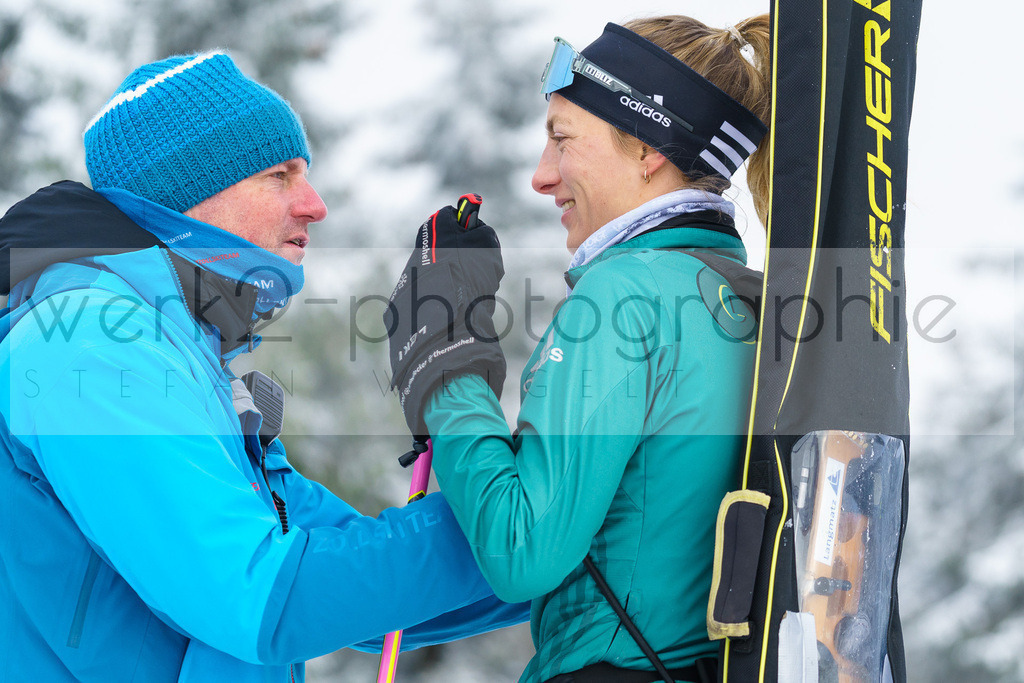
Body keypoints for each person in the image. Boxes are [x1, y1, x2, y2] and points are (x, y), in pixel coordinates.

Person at [0, 51, 528, 682]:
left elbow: (355, 590)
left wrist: (575, 539)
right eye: (280, 175)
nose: (315, 204)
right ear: (191, 193)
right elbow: (260, 598)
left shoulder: (186, 357)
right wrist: (525, 510)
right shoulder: (88, 343)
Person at [385, 15, 771, 683]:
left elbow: (523, 549)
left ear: (649, 148)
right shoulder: (737, 296)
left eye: (563, 139)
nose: (542, 176)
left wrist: (445, 362)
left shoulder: (625, 296)